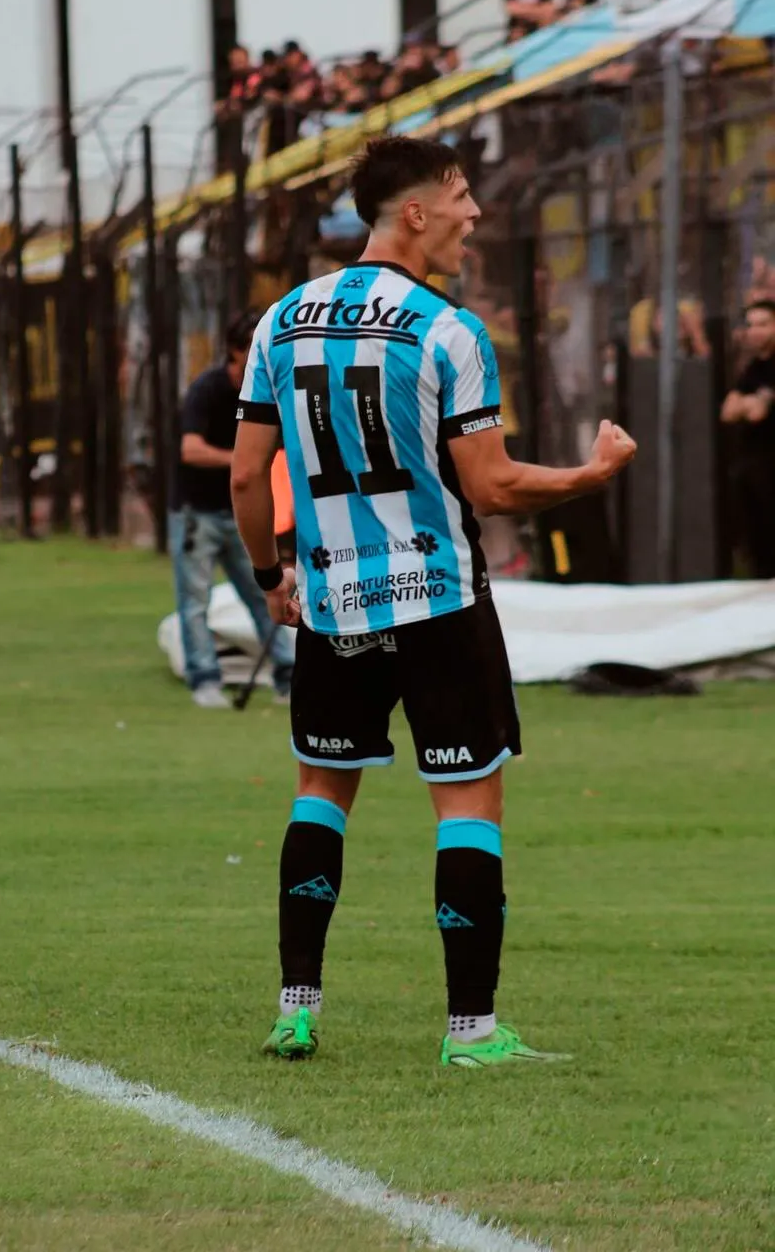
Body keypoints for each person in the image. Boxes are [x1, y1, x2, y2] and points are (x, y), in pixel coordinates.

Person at [231, 136, 635, 1068]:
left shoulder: (281, 321)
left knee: (320, 794)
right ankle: (471, 1030)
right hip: (439, 599)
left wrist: (270, 577)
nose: (474, 213)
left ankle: (297, 1010)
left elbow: (248, 476)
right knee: (467, 803)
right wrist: (590, 475)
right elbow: (491, 486)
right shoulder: (448, 329)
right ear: (415, 213)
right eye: (461, 196)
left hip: (333, 602)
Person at [169, 310, 295, 708]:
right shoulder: (207, 389)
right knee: (195, 601)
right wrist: (243, 462)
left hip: (240, 516)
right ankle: (205, 679)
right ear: (235, 351)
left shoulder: (272, 389)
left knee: (265, 592)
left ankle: (288, 674)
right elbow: (190, 449)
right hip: (197, 513)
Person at [720, 299, 775, 578]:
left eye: (763, 324)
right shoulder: (752, 368)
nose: (756, 331)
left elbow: (757, 413)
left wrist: (752, 404)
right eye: (751, 325)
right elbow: (729, 411)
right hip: (752, 465)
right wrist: (752, 403)